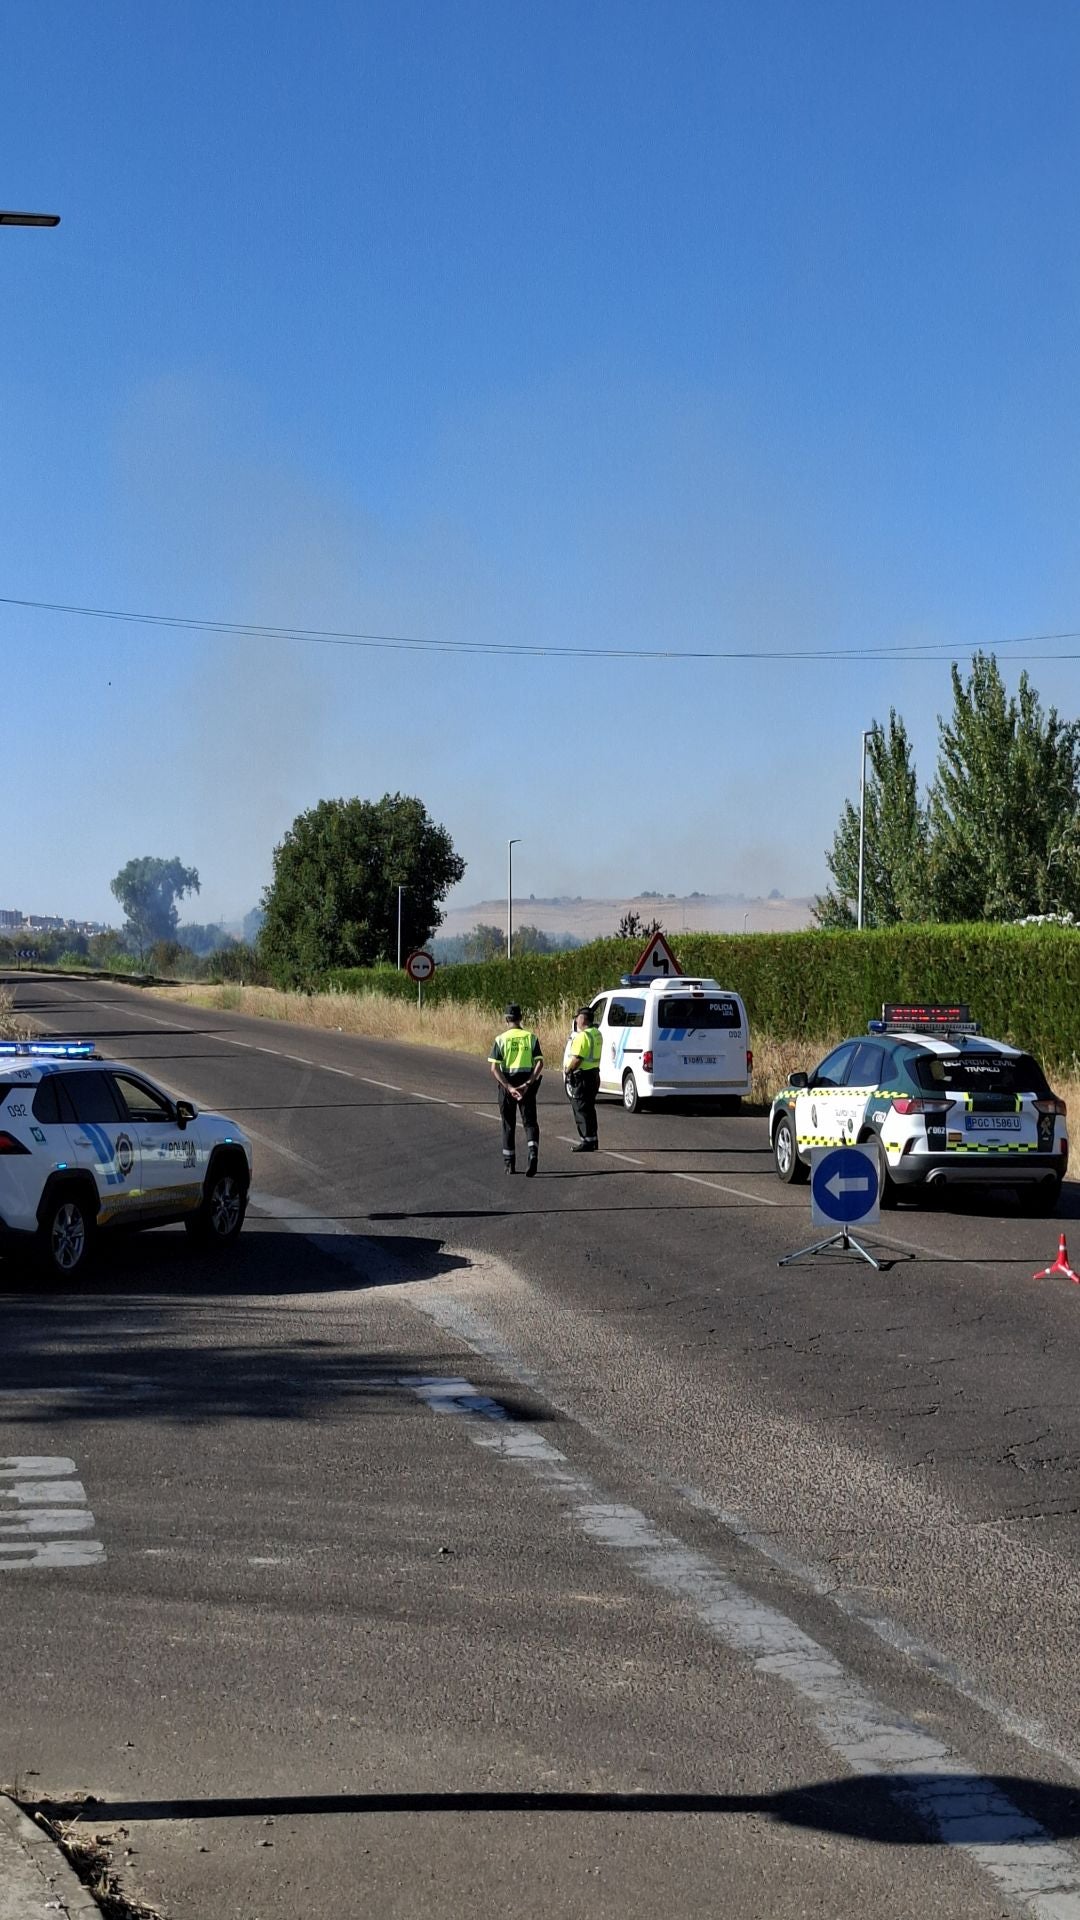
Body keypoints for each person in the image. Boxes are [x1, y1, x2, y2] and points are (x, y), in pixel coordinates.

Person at [488, 1003, 544, 1176]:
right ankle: (533, 1152)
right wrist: (527, 1084)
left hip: (508, 1084)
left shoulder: (501, 1039)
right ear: (521, 1018)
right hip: (526, 1083)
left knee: (508, 1124)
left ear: (506, 1019)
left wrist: (509, 1087)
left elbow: (494, 1068)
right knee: (530, 1122)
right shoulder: (530, 1037)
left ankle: (509, 1164)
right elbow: (540, 1063)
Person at [565, 1005, 602, 1152]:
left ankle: (586, 1141)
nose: (576, 1020)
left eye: (577, 1017)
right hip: (594, 1074)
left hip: (582, 1076)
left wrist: (568, 1071)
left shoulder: (583, 1036)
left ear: (583, 1019)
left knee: (580, 1108)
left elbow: (577, 1059)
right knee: (589, 1108)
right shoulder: (597, 1034)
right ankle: (593, 1139)